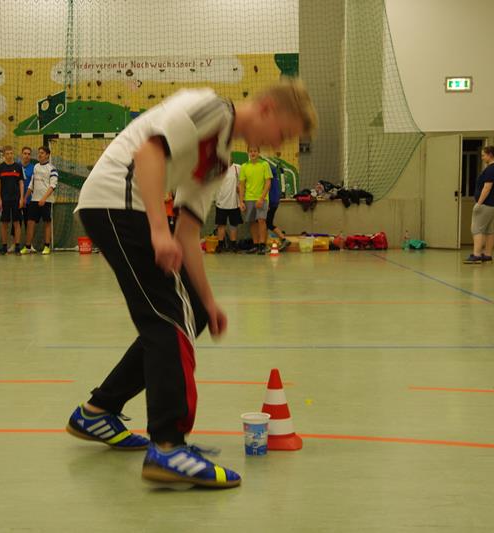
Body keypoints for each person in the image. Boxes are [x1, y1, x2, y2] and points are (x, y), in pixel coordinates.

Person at [65, 79, 317, 489]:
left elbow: (187, 231)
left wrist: (209, 302)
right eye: (284, 133)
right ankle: (168, 446)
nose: (278, 144)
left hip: (129, 208)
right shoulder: (212, 110)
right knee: (167, 319)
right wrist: (156, 230)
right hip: (115, 201)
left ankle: (98, 411)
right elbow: (149, 153)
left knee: (191, 312)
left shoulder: (219, 160)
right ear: (268, 109)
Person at [464, 146, 494, 264]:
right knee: (488, 230)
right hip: (493, 204)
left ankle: (476, 255)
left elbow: (487, 188)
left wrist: (479, 203)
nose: (482, 158)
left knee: (477, 229)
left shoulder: (491, 170)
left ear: (490, 155)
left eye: (483, 155)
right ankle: (487, 254)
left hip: (486, 204)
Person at [22, 146, 59, 255]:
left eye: (42, 153)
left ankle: (47, 246)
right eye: (39, 153)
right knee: (30, 222)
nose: (39, 155)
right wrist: (25, 197)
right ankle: (28, 246)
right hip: (34, 200)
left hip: (46, 201)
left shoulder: (52, 169)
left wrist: (44, 198)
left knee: (47, 222)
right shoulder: (36, 167)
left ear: (47, 155)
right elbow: (31, 184)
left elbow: (53, 186)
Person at [238, 145, 273, 254]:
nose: (253, 153)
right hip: (249, 198)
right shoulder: (244, 166)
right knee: (252, 221)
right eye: (251, 151)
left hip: (262, 199)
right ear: (248, 153)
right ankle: (255, 245)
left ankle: (262, 245)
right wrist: (241, 201)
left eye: (255, 151)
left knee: (261, 220)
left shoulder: (264, 164)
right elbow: (241, 185)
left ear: (258, 152)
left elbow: (268, 183)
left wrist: (261, 198)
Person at [0, 145, 25, 255]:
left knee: (17, 222)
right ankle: (4, 247)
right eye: (7, 154)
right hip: (5, 199)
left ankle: (17, 246)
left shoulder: (18, 167)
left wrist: (21, 198)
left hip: (16, 199)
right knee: (4, 223)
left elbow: (21, 183)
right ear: (3, 155)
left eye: (11, 153)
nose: (9, 155)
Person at [214, 163, 242, 253]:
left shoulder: (238, 168)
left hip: (234, 202)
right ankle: (220, 245)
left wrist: (240, 190)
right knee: (221, 225)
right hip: (221, 202)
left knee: (234, 225)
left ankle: (233, 245)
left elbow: (242, 182)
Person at [266, 160, 290, 250]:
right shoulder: (275, 178)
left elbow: (269, 192)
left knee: (267, 223)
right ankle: (266, 242)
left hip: (271, 202)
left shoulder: (270, 180)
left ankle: (283, 239)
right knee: (267, 223)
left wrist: (268, 204)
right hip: (274, 202)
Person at [19, 146, 35, 228]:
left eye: (29, 154)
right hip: (17, 200)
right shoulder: (16, 166)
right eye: (25, 153)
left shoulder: (34, 168)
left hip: (29, 200)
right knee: (16, 224)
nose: (27, 156)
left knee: (28, 224)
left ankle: (28, 238)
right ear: (21, 154)